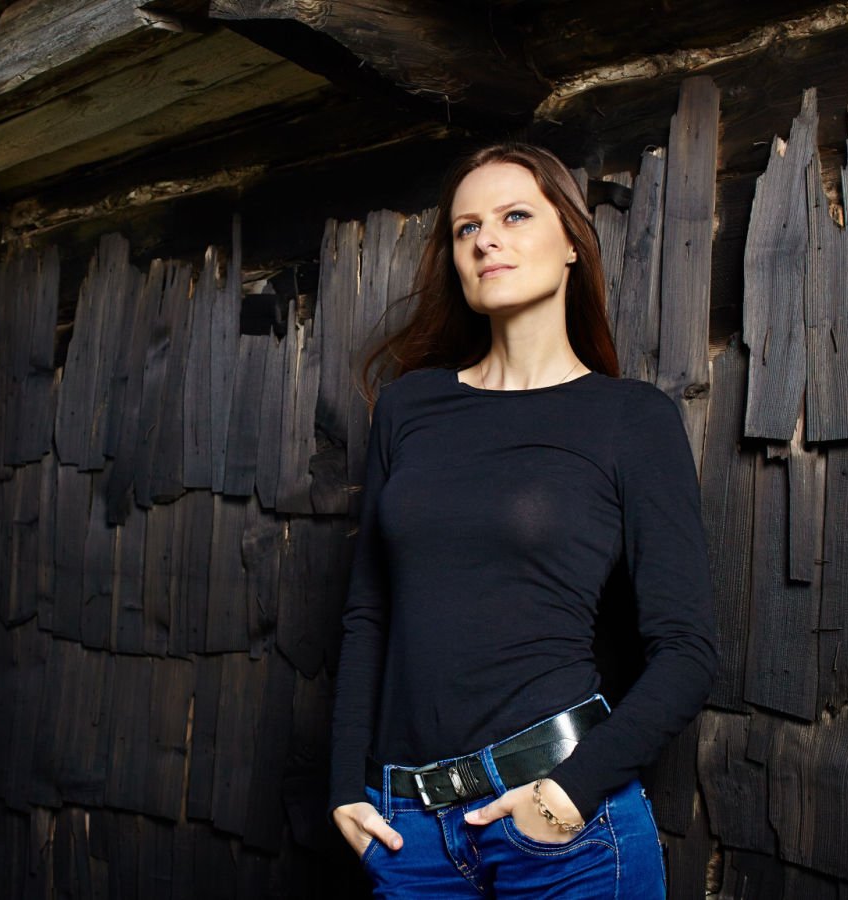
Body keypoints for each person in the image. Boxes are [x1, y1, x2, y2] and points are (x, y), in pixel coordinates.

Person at [327, 142, 717, 898]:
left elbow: (686, 650)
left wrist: (567, 796)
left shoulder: (631, 419)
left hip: (560, 828)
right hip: (406, 831)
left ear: (572, 241)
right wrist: (349, 784)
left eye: (513, 215)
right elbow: (368, 614)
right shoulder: (411, 408)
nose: (485, 240)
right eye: (465, 228)